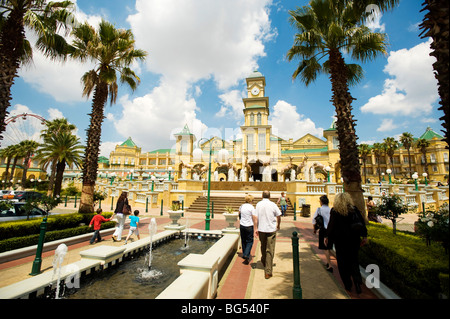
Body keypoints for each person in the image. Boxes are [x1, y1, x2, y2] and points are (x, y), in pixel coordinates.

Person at [325, 193, 368, 294]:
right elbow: (361, 222)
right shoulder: (354, 209)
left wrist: (327, 237)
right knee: (354, 261)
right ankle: (357, 283)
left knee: (342, 263)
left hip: (341, 241)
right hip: (354, 240)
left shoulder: (335, 211)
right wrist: (365, 236)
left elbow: (331, 226)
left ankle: (348, 284)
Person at [253, 190, 282, 279]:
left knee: (263, 245)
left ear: (262, 196)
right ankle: (268, 270)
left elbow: (255, 217)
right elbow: (279, 215)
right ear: (269, 196)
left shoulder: (258, 204)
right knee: (270, 249)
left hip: (261, 228)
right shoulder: (273, 204)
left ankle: (265, 261)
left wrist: (255, 228)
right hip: (271, 229)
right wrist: (278, 225)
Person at [312, 195, 333, 272]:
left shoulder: (319, 209)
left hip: (323, 230)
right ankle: (328, 262)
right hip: (330, 230)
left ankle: (330, 265)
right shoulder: (331, 210)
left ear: (321, 202)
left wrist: (314, 229)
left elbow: (314, 220)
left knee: (325, 248)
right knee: (328, 247)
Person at [239, 195, 256, 265]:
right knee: (249, 241)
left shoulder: (242, 206)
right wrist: (256, 227)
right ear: (251, 200)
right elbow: (254, 217)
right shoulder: (252, 207)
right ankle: (246, 254)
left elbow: (239, 214)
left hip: (242, 225)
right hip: (249, 226)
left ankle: (245, 256)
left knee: (243, 240)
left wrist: (241, 220)